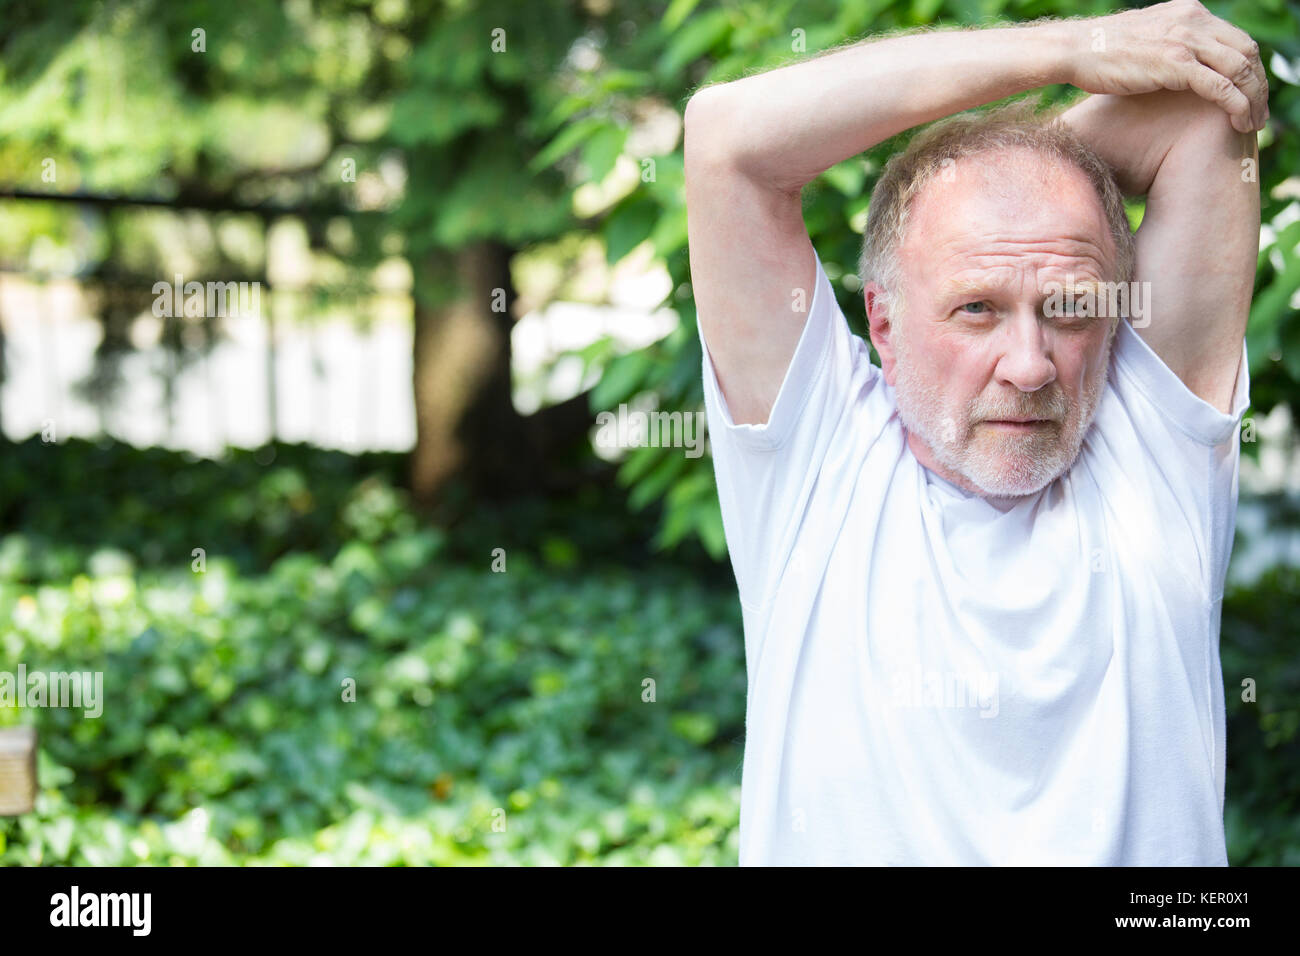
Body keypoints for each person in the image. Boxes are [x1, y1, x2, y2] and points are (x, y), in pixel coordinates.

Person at [683, 0, 1267, 865]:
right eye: (976, 308)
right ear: (882, 323)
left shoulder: (1153, 449)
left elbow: (1200, 109)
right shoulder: (819, 458)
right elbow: (726, 137)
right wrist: (1074, 48)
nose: (1030, 366)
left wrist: (1004, 193)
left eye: (1068, 306)